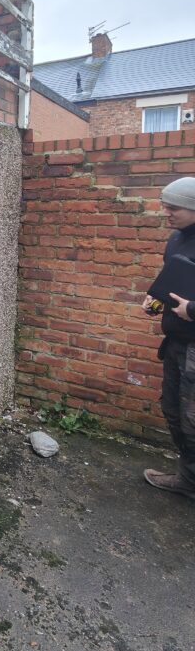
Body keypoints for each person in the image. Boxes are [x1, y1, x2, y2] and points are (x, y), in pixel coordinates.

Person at [142, 177, 195, 499]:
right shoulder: (175, 241)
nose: (166, 212)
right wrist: (156, 302)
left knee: (193, 420)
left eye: (172, 208)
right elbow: (173, 284)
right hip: (175, 344)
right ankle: (188, 480)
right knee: (174, 412)